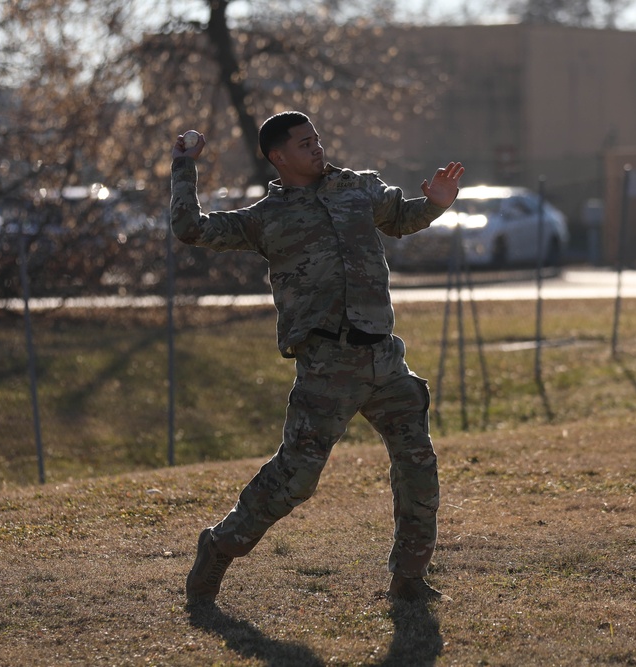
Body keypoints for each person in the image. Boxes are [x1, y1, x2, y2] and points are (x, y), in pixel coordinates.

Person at [170, 110, 464, 605]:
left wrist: (433, 204)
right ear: (278, 157)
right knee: (295, 479)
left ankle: (408, 578)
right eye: (304, 144)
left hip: (385, 358)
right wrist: (184, 167)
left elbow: (401, 219)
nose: (317, 148)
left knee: (417, 464)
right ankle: (219, 546)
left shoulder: (357, 189)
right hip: (327, 366)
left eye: (317, 139)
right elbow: (190, 228)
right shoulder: (266, 218)